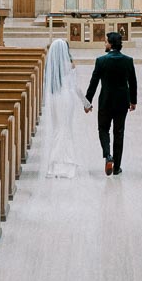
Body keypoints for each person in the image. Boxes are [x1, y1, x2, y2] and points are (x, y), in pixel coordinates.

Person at [83, 31, 137, 175]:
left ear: (111, 44)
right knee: (119, 133)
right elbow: (133, 83)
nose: (104, 44)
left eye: (106, 41)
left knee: (103, 129)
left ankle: (108, 156)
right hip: (122, 102)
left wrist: (87, 103)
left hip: (106, 101)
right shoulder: (128, 60)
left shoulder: (101, 61)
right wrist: (133, 101)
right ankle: (117, 167)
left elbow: (93, 83)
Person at [42, 37, 90, 178]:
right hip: (66, 99)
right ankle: (66, 164)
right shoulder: (70, 65)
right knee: (65, 129)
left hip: (55, 99)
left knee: (58, 128)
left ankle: (53, 165)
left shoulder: (51, 66)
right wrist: (86, 103)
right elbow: (75, 87)